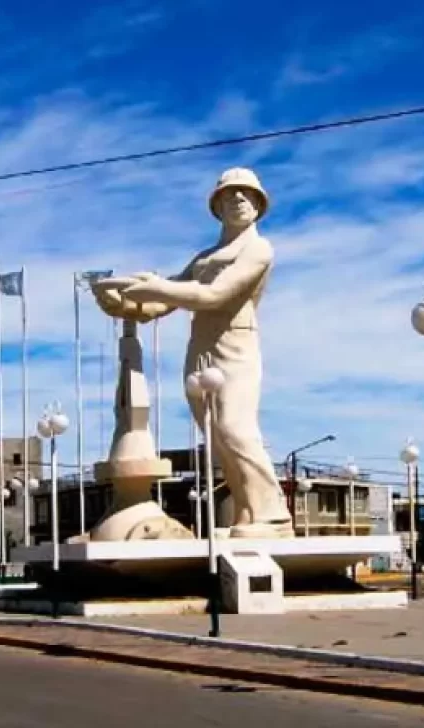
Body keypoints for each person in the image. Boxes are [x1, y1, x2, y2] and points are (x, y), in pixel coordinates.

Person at [93, 168, 293, 537]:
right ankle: (247, 514)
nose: (237, 199)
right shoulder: (204, 258)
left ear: (259, 204)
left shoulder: (258, 249)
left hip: (236, 346)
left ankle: (273, 514)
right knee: (217, 438)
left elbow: (213, 295)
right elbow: (158, 307)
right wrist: (119, 303)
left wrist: (155, 287)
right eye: (229, 194)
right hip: (200, 350)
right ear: (216, 205)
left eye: (246, 194)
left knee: (236, 428)